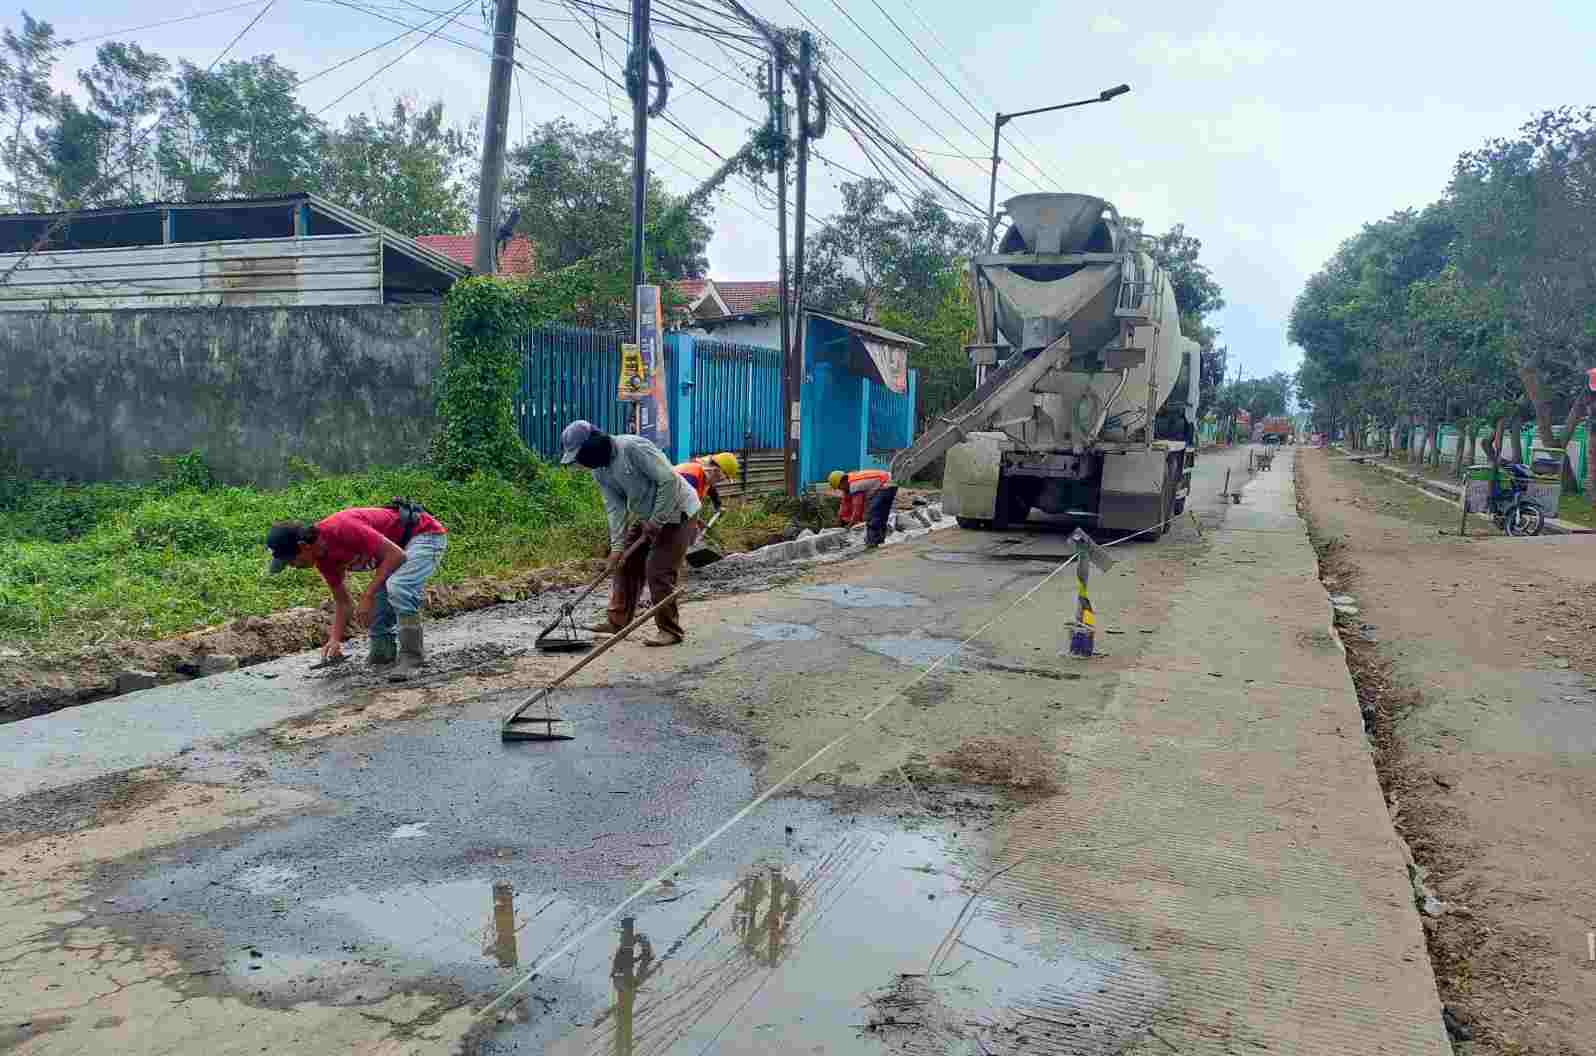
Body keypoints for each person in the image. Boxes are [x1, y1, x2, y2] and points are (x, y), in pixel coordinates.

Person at [265, 501, 447, 680]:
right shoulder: (323, 561)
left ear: (304, 547)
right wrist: (334, 639)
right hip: (396, 550)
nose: (294, 567)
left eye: (292, 561)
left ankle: (412, 657)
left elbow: (396, 555)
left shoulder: (342, 528)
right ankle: (384, 654)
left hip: (424, 536)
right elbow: (343, 603)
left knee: (397, 586)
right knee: (379, 648)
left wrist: (367, 596)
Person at [562, 420, 701, 646]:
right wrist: (617, 548)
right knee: (625, 563)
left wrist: (657, 521)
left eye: (581, 454)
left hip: (678, 511)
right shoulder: (601, 471)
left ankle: (670, 630)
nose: (582, 461)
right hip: (647, 515)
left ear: (594, 444)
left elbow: (669, 481)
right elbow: (615, 509)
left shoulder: (632, 448)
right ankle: (618, 622)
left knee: (658, 570)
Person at [828, 468, 898, 548]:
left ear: (842, 482)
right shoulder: (852, 479)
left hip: (884, 486)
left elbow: (858, 507)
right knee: (882, 516)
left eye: (839, 488)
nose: (841, 490)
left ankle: (871, 542)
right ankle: (879, 540)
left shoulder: (854, 485)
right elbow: (845, 502)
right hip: (891, 484)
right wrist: (840, 518)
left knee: (872, 516)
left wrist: (851, 524)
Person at [676, 452, 740, 515]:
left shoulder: (706, 475)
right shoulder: (692, 476)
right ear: (717, 471)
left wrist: (718, 505)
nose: (723, 480)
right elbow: (681, 508)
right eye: (725, 477)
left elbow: (711, 490)